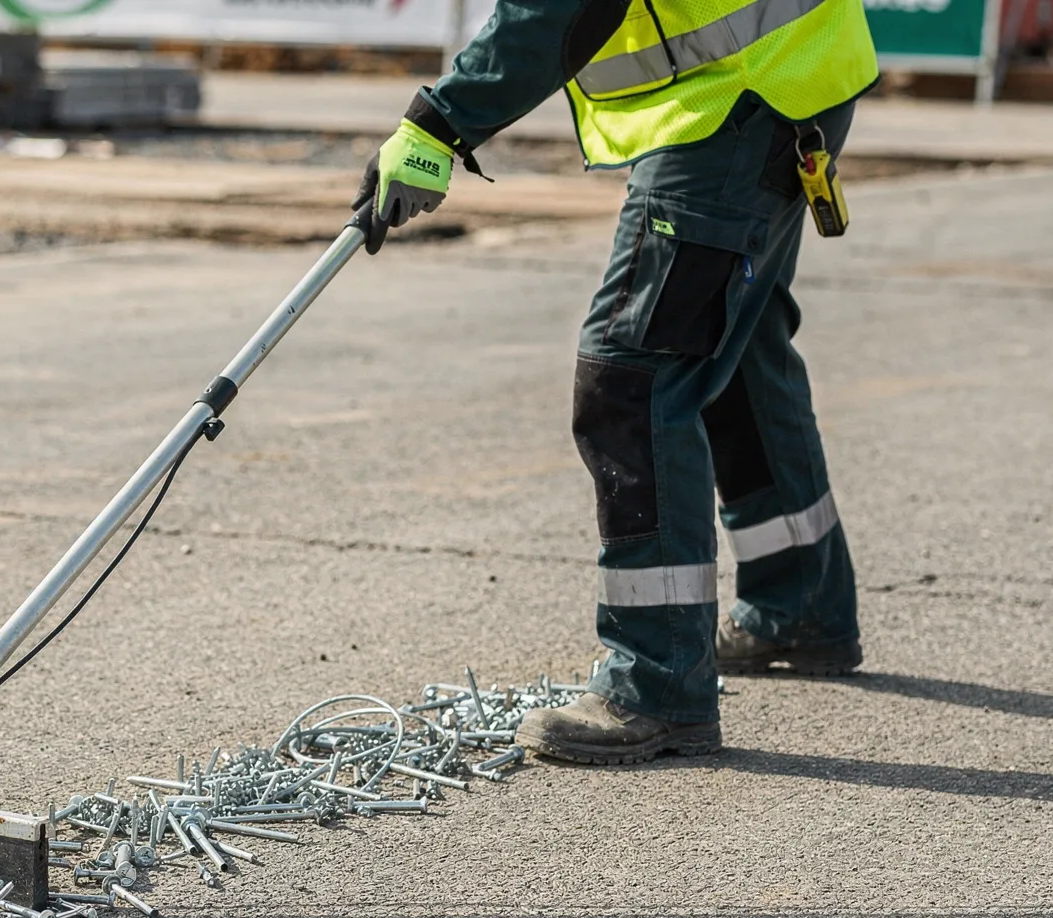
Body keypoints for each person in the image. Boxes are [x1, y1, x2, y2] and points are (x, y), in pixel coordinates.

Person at [356, 0, 879, 764]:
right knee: (731, 349)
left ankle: (660, 684)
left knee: (632, 377)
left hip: (733, 100)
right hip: (796, 72)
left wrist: (439, 122)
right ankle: (798, 604)